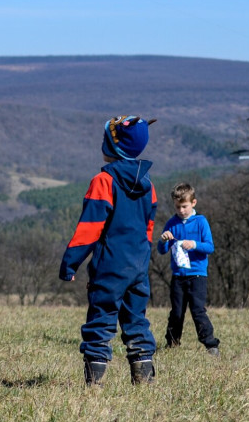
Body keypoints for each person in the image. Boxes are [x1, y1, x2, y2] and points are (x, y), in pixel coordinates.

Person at [59, 116, 159, 386]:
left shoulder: (103, 181)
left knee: (101, 321)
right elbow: (148, 229)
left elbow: (89, 228)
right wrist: (142, 257)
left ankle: (95, 383)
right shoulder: (148, 185)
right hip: (138, 266)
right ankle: (143, 378)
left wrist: (71, 262)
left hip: (109, 268)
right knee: (136, 320)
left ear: (113, 147)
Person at [157, 182, 221, 356]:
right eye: (178, 207)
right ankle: (172, 343)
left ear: (193, 203)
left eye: (184, 206)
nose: (181, 210)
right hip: (178, 276)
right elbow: (161, 250)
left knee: (198, 311)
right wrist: (163, 240)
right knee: (176, 312)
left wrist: (194, 244)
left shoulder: (201, 222)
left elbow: (209, 247)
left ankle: (211, 344)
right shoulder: (172, 223)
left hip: (197, 275)